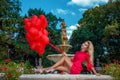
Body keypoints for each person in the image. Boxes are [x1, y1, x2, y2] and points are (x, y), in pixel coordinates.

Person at [36, 41, 100, 75]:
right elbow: (72, 60)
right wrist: (67, 56)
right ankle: (42, 70)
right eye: (84, 43)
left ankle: (49, 68)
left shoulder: (86, 54)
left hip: (76, 69)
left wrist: (95, 72)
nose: (83, 44)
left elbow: (90, 64)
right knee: (57, 67)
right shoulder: (77, 52)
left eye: (85, 45)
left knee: (64, 58)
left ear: (87, 48)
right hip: (71, 68)